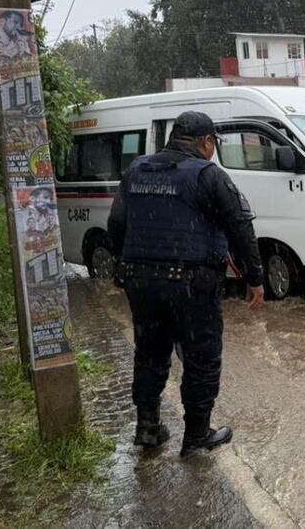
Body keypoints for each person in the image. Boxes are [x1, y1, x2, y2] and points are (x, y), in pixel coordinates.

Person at [108, 111, 265, 457]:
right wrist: (255, 278)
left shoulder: (136, 171)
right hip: (191, 284)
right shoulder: (208, 175)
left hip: (141, 283)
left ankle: (148, 427)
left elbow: (117, 223)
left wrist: (121, 270)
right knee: (201, 358)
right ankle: (196, 434)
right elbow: (240, 227)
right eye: (213, 144)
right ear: (206, 142)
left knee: (149, 353)